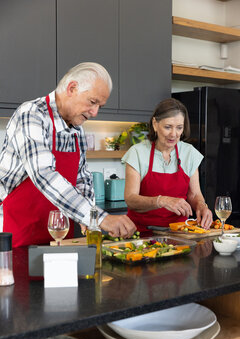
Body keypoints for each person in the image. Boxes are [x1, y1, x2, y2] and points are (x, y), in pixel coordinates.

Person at [0, 62, 136, 247]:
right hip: (21, 231)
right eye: (92, 102)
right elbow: (43, 174)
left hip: (61, 234)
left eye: (100, 106)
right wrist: (100, 218)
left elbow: (82, 178)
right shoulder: (32, 114)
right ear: (72, 88)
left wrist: (91, 221)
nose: (95, 112)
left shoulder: (76, 128)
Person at [122, 98, 212, 232]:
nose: (174, 134)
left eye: (179, 128)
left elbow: (194, 194)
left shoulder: (189, 153)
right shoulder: (137, 153)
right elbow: (131, 199)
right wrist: (161, 201)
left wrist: (202, 206)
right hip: (141, 232)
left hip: (180, 233)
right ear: (155, 124)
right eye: (168, 127)